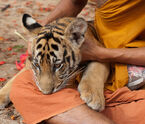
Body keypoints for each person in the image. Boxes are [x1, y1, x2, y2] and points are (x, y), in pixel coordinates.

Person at [10, 0, 145, 124]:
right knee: (22, 86)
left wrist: (100, 54)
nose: (46, 90)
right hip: (110, 74)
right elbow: (75, 2)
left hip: (133, 71)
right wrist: (42, 33)